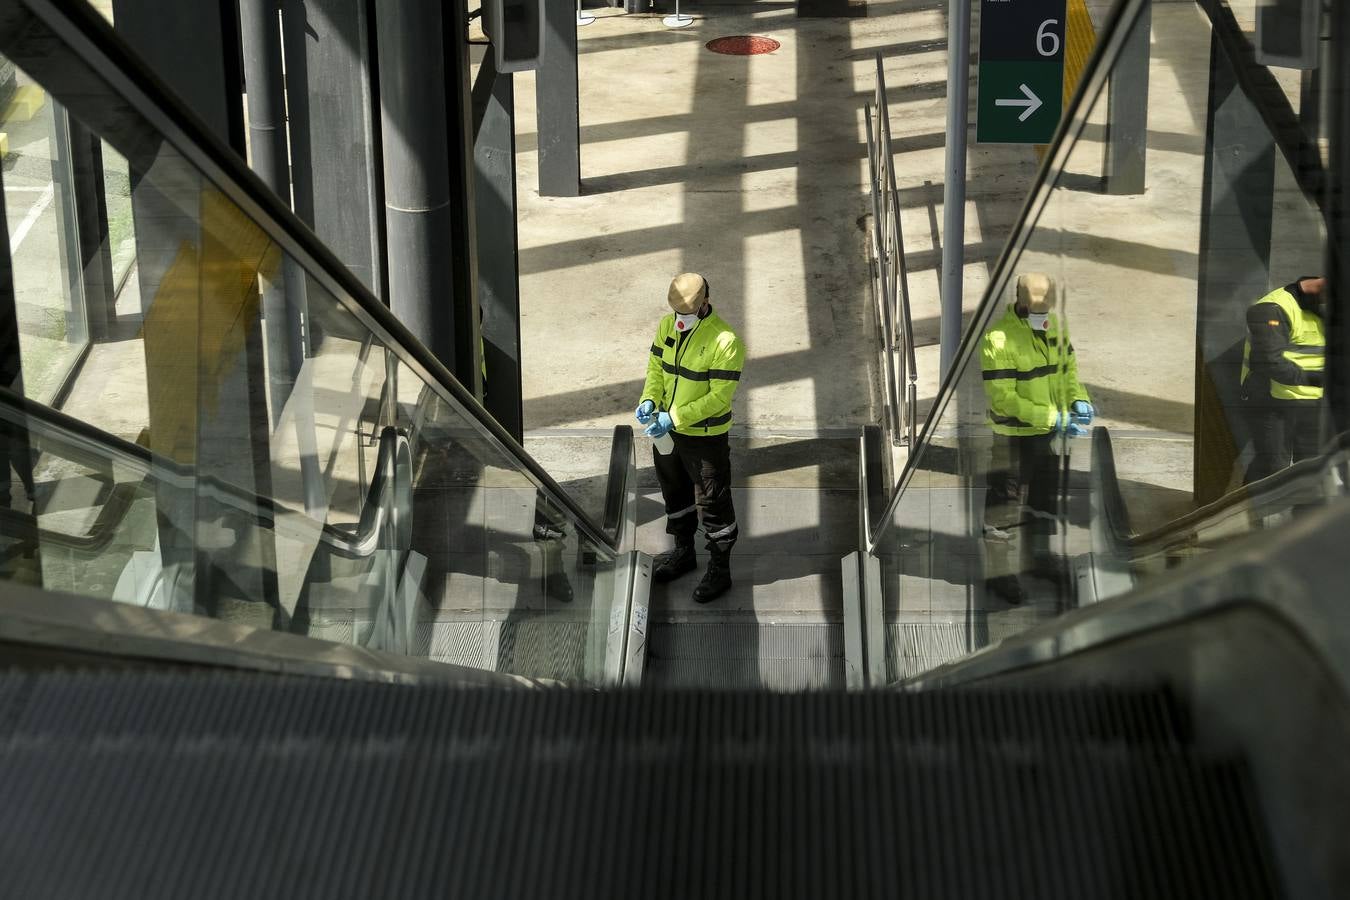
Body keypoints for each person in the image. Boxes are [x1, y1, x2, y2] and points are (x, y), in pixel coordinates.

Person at [980, 272, 1092, 605]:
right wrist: (1053, 418)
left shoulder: (1056, 327)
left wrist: (1078, 400)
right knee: (1002, 510)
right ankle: (999, 575)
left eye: (1046, 309)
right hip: (1012, 437)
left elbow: (1068, 371)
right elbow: (1003, 398)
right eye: (1036, 310)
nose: (1042, 317)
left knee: (1044, 499)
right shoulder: (997, 340)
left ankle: (1039, 558)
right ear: (1020, 302)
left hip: (1047, 435)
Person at [635, 273, 745, 603]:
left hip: (703, 438)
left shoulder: (725, 341)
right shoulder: (667, 327)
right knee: (674, 492)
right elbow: (656, 368)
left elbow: (718, 398)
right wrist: (649, 401)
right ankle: (683, 551)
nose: (679, 318)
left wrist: (675, 417)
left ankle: (720, 570)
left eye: (686, 310)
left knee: (713, 501)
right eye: (676, 311)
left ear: (705, 303)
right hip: (667, 432)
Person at [1240, 276, 1327, 484]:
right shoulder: (1272, 309)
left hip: (1314, 403)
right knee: (1272, 471)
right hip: (1273, 402)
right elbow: (1271, 362)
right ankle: (1248, 514)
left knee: (1312, 472)